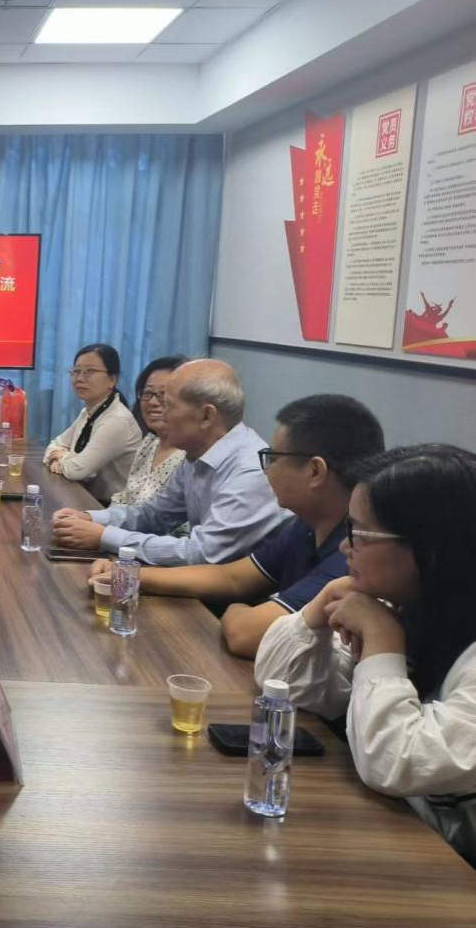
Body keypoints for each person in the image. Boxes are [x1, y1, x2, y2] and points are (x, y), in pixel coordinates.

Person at [255, 445, 476, 865]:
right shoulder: (404, 605)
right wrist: (317, 613)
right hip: (402, 842)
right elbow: (284, 684)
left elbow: (396, 762)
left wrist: (381, 640)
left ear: (429, 549)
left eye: (358, 533)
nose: (345, 547)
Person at [88, 394, 384, 658]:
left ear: (315, 471)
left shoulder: (354, 555)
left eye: (272, 458)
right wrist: (129, 574)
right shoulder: (305, 526)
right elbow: (231, 578)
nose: (265, 470)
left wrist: (238, 609)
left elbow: (244, 634)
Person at [52, 358, 284, 566]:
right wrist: (91, 518)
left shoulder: (250, 471)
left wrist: (104, 536)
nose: (161, 414)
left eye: (169, 405)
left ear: (206, 416)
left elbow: (202, 553)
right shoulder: (196, 453)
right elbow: (155, 514)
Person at [43, 343, 143, 503]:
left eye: (89, 371)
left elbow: (77, 471)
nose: (79, 378)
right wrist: (56, 458)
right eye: (76, 371)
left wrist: (63, 456)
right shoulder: (89, 412)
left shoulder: (117, 420)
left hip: (114, 508)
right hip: (87, 497)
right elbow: (55, 445)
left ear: (112, 379)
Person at [110, 354, 188, 506]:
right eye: (148, 393)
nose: (152, 402)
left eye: (163, 394)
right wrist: (90, 517)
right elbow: (125, 497)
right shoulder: (149, 444)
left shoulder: (190, 458)